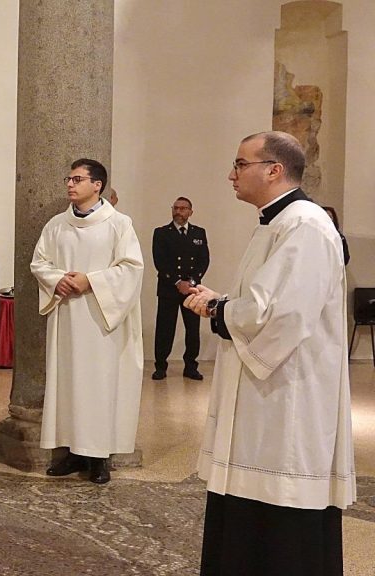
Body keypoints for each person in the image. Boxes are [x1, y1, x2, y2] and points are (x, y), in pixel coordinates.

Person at [184, 131, 355, 575]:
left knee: (280, 512)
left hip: (288, 395)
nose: (232, 174)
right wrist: (225, 303)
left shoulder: (305, 225)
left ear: (274, 170)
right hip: (267, 397)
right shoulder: (275, 223)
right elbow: (265, 300)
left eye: (241, 164)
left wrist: (219, 309)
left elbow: (281, 315)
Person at [30, 159, 144, 485]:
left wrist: (90, 281)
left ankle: (98, 457)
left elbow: (132, 268)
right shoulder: (56, 225)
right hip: (67, 317)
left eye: (78, 179)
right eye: (68, 178)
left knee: (99, 384)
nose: (70, 184)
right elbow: (39, 262)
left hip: (101, 321)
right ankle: (72, 452)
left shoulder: (119, 224)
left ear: (97, 185)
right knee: (68, 383)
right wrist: (57, 280)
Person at [151, 197, 209, 381]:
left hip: (192, 290)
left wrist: (191, 282)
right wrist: (177, 282)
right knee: (164, 329)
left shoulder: (199, 233)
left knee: (192, 330)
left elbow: (204, 261)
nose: (178, 212)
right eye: (175, 208)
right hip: (168, 289)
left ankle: (191, 366)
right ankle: (160, 366)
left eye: (183, 208)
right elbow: (160, 261)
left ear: (191, 212)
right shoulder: (161, 233)